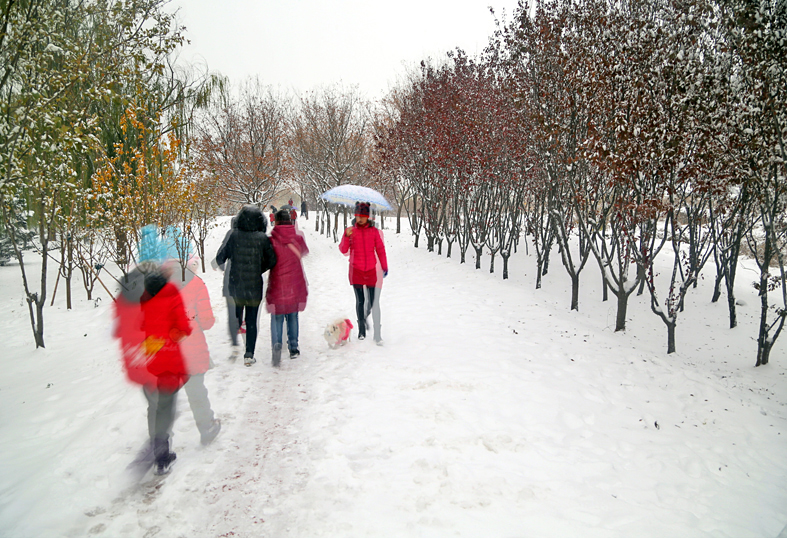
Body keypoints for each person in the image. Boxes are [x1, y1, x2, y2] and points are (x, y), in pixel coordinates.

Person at [139, 267, 192, 475]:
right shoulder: (171, 295)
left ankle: (155, 443)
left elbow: (141, 325)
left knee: (154, 406)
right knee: (165, 407)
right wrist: (177, 333)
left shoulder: (145, 299)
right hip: (169, 361)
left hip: (152, 359)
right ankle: (162, 456)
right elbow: (183, 327)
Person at [216, 205, 277, 366]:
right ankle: (249, 354)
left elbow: (220, 258)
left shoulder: (234, 236)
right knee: (251, 320)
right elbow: (272, 260)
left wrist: (230, 266)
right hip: (254, 286)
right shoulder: (262, 238)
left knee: (238, 310)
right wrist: (258, 268)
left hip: (236, 284)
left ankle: (236, 330)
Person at [174, 256, 221, 445]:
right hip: (190, 347)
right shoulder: (195, 284)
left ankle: (160, 446)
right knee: (196, 391)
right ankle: (207, 427)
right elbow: (207, 322)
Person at [339, 201, 388, 344]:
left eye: (362, 216)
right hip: (356, 270)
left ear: (367, 217)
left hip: (371, 270)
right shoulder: (351, 231)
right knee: (360, 301)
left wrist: (384, 266)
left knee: (372, 302)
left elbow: (380, 250)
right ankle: (361, 329)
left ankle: (367, 320)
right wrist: (346, 236)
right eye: (357, 216)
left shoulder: (374, 232)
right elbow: (343, 250)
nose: (360, 218)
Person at [265, 209, 309, 366]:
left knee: (277, 317)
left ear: (276, 222)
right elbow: (304, 251)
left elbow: (266, 260)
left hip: (277, 283)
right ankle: (294, 348)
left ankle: (277, 347)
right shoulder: (297, 239)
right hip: (295, 283)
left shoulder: (270, 241)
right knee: (292, 315)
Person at [213, 216, 241, 359]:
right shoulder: (248, 234)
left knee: (231, 312)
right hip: (245, 279)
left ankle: (235, 343)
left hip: (230, 279)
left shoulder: (230, 234)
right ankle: (241, 325)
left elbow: (220, 256)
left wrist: (224, 268)